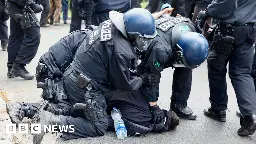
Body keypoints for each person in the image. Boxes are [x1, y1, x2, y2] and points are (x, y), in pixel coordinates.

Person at [7, 8, 177, 143]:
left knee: (69, 108)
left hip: (75, 76)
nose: (144, 42)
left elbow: (137, 21)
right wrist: (144, 79)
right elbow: (124, 84)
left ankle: (23, 108)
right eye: (143, 38)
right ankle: (52, 123)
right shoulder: (122, 51)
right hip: (86, 86)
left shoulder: (111, 25)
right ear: (135, 34)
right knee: (98, 125)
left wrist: (158, 15)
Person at [196, 0, 256, 136]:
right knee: (242, 73)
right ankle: (250, 115)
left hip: (232, 27)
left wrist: (207, 11)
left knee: (215, 66)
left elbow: (228, 3)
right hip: (250, 28)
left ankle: (218, 109)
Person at [6, 0, 42, 80]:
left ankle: (11, 67)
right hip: (21, 5)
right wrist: (31, 3)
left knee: (16, 35)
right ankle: (18, 66)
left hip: (14, 4)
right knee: (34, 35)